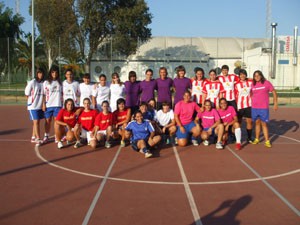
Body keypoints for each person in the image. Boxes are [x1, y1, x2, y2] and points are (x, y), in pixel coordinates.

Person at [251, 70, 278, 148]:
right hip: (254, 107)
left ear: (261, 76)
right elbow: (251, 94)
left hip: (263, 108)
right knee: (257, 123)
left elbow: (274, 92)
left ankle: (267, 140)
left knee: (264, 124)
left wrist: (275, 103)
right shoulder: (253, 84)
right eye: (255, 76)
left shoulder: (266, 83)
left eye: (258, 75)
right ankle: (257, 139)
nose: (257, 77)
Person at [42, 65, 63, 143]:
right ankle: (46, 135)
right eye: (53, 72)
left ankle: (56, 136)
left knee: (56, 121)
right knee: (47, 121)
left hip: (57, 105)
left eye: (56, 72)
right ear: (50, 73)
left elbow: (62, 94)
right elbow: (43, 94)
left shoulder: (60, 82)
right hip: (48, 105)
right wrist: (43, 104)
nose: (54, 74)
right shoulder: (46, 82)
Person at [25, 68, 45, 146]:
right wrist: (31, 101)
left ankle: (33, 137)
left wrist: (43, 104)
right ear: (36, 74)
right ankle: (38, 138)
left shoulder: (43, 83)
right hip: (33, 106)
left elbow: (44, 94)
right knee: (36, 122)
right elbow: (27, 93)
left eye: (42, 73)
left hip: (39, 106)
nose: (40, 75)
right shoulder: (32, 82)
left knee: (36, 122)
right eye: (39, 73)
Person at [235, 69, 254, 143]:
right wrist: (237, 106)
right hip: (240, 105)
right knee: (239, 122)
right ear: (239, 76)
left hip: (249, 105)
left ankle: (249, 138)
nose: (242, 76)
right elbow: (235, 95)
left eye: (244, 74)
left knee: (249, 121)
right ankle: (238, 138)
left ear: (246, 75)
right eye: (241, 74)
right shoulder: (236, 84)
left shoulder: (250, 82)